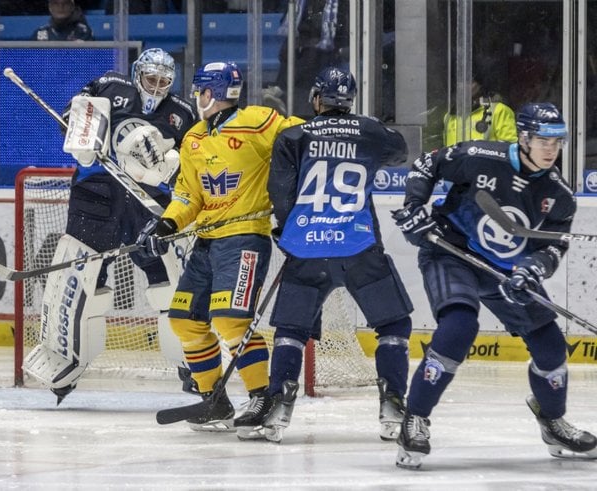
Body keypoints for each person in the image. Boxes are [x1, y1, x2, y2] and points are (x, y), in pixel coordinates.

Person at [392, 102, 597, 469]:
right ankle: (415, 417)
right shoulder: (479, 155)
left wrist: (531, 270)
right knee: (459, 326)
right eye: (543, 141)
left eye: (558, 142)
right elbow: (428, 165)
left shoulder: (559, 195)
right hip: (451, 252)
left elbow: (552, 246)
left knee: (551, 346)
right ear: (524, 137)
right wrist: (413, 208)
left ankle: (552, 422)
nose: (551, 150)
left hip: (505, 271)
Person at [232, 66, 413, 443]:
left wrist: (289, 229)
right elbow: (400, 153)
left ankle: (280, 403)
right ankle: (393, 403)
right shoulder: (370, 130)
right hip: (359, 246)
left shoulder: (293, 134)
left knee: (291, 331)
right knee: (393, 324)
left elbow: (280, 193)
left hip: (306, 249)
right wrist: (367, 132)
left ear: (316, 98)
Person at [135, 61, 303, 434]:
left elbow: (305, 137)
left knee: (231, 319)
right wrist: (166, 223)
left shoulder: (259, 122)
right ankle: (216, 401)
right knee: (184, 320)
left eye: (199, 91)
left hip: (245, 237)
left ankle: (263, 397)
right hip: (207, 241)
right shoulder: (194, 137)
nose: (196, 97)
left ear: (211, 92)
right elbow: (188, 196)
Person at [22, 48, 197, 404]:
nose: (157, 87)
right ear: (137, 74)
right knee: (78, 279)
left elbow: (192, 163)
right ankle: (64, 360)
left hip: (149, 209)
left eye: (164, 81)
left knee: (172, 282)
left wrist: (171, 169)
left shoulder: (182, 113)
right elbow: (75, 113)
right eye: (151, 79)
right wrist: (79, 128)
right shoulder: (111, 86)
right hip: (96, 196)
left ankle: (192, 360)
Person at [262, 0, 349, 118]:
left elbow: (343, 29)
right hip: (307, 43)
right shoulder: (300, 2)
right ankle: (282, 95)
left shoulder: (342, 3)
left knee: (311, 55)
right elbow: (288, 21)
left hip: (331, 46)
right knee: (291, 49)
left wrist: (310, 42)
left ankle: (281, 93)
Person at [443, 73, 517, 146]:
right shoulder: (449, 116)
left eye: (469, 82)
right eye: (459, 82)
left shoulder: (498, 110)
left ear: (480, 85)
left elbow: (510, 148)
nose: (463, 86)